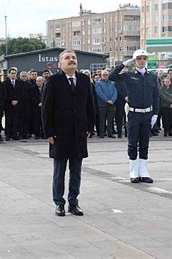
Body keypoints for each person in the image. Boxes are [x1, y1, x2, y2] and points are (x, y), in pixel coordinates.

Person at [42, 49, 95, 217]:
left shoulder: (85, 80)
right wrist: (48, 132)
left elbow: (90, 105)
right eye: (67, 58)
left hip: (79, 132)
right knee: (59, 170)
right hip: (59, 134)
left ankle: (74, 202)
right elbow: (46, 108)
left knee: (76, 170)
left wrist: (90, 127)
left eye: (73, 57)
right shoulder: (53, 81)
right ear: (60, 64)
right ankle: (59, 203)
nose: (71, 60)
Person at [109, 49, 159, 184]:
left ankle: (143, 171)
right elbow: (112, 76)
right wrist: (125, 63)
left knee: (144, 143)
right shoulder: (129, 75)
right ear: (135, 60)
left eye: (144, 58)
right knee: (132, 143)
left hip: (147, 113)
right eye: (139, 58)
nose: (142, 61)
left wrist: (155, 114)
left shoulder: (152, 76)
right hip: (134, 113)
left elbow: (156, 96)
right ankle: (133, 171)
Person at [95, 70, 117, 138]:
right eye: (103, 75)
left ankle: (110, 132)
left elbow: (115, 92)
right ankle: (102, 133)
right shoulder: (98, 83)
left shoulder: (112, 83)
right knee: (102, 120)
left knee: (110, 120)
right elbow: (99, 93)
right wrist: (107, 100)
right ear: (101, 76)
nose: (105, 76)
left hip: (111, 104)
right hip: (102, 104)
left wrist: (113, 100)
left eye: (106, 75)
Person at [5, 67, 23, 140]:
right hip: (8, 105)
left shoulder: (19, 82)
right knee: (8, 121)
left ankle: (14, 135)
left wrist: (17, 100)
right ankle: (8, 135)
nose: (13, 75)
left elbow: (21, 93)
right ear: (9, 74)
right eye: (12, 73)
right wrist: (11, 101)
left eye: (14, 73)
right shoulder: (5, 83)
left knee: (15, 121)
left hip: (17, 105)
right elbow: (5, 94)